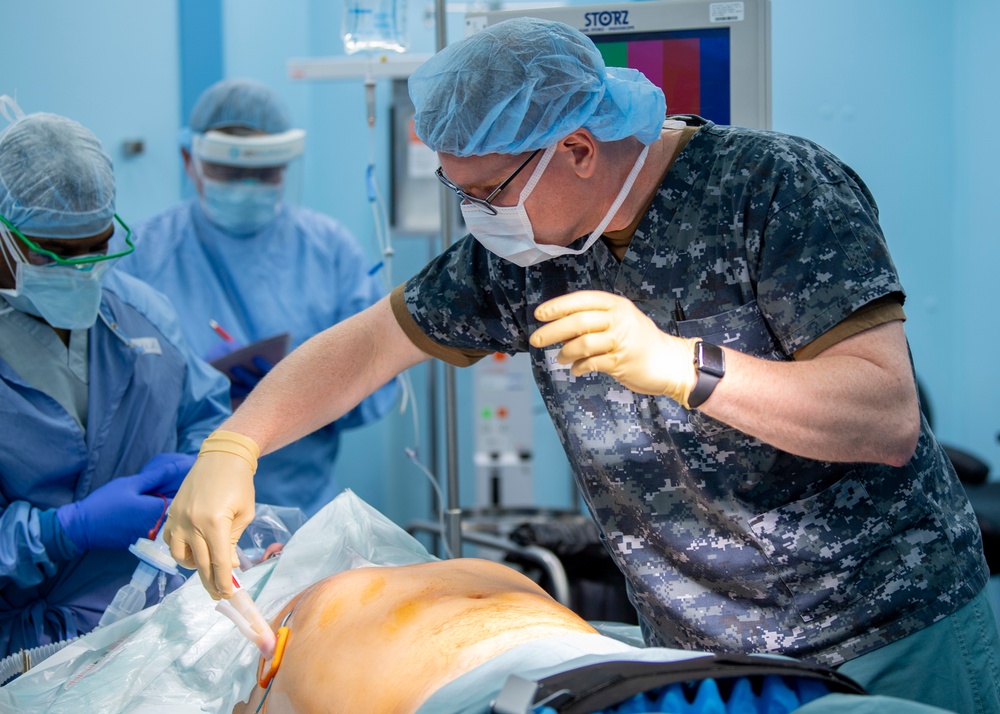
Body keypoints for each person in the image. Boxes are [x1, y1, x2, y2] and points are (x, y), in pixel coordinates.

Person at [164, 18, 1000, 712]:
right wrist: (236, 446)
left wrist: (684, 368)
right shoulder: (523, 252)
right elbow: (369, 345)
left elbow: (885, 417)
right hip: (701, 659)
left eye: (486, 193)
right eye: (459, 193)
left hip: (885, 626)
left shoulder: (774, 189)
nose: (475, 217)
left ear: (577, 149)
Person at [0, 100, 231, 656]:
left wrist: (205, 467)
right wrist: (63, 530)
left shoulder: (139, 310)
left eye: (96, 247)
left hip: (148, 632)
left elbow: (203, 414)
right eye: (56, 253)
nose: (82, 270)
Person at [120, 78, 398, 516]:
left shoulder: (328, 250)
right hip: (176, 509)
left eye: (265, 173)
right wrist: (198, 396)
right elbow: (111, 400)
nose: (247, 186)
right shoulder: (143, 253)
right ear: (188, 159)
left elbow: (379, 383)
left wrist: (303, 385)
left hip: (299, 512)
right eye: (230, 173)